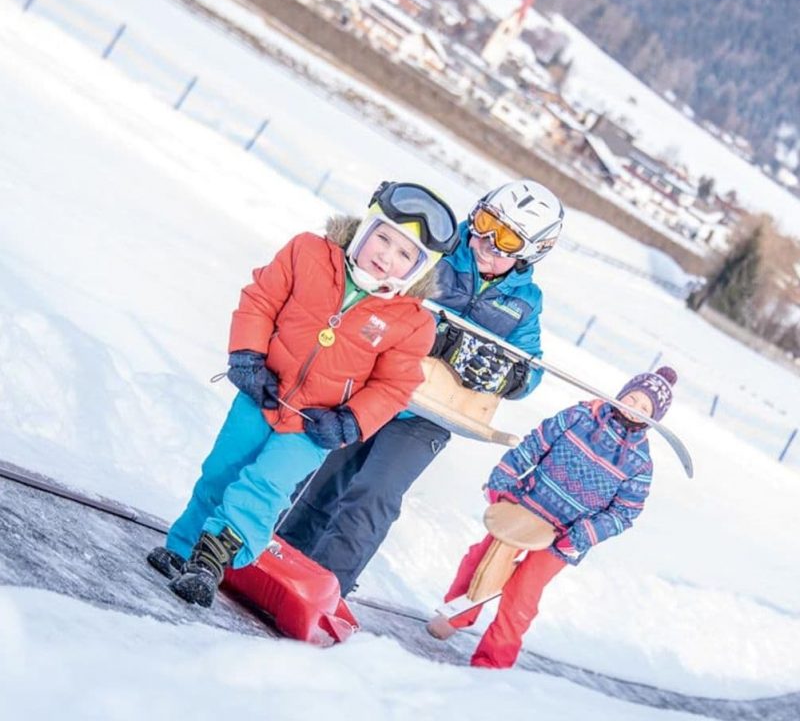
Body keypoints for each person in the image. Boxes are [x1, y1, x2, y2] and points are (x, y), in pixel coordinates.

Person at [146, 181, 459, 608]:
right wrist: (247, 357)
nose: (386, 256)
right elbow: (260, 300)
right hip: (264, 393)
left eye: (405, 254)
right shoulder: (309, 252)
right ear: (365, 229)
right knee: (221, 470)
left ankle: (209, 564)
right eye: (383, 237)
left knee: (265, 486)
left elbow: (394, 386)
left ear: (419, 269)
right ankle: (182, 549)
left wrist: (351, 422)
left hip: (314, 426)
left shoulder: (411, 323)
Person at [279, 179, 565, 596]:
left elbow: (531, 367)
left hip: (429, 415)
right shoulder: (439, 252)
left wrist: (508, 375)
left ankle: (326, 584)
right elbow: (386, 287)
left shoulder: (523, 304)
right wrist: (435, 331)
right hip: (376, 386)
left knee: (375, 493)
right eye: (485, 221)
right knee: (329, 473)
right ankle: (283, 550)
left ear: (530, 252)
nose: (484, 239)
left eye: (504, 237)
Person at [430, 365, 678, 669]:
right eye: (634, 398)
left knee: (523, 593)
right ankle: (455, 615)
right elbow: (535, 444)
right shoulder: (580, 416)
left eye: (645, 408)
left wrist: (582, 536)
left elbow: (624, 513)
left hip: (564, 536)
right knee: (483, 560)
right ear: (622, 393)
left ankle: (493, 660)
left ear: (654, 419)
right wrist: (503, 479)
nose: (635, 408)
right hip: (527, 507)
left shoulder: (640, 463)